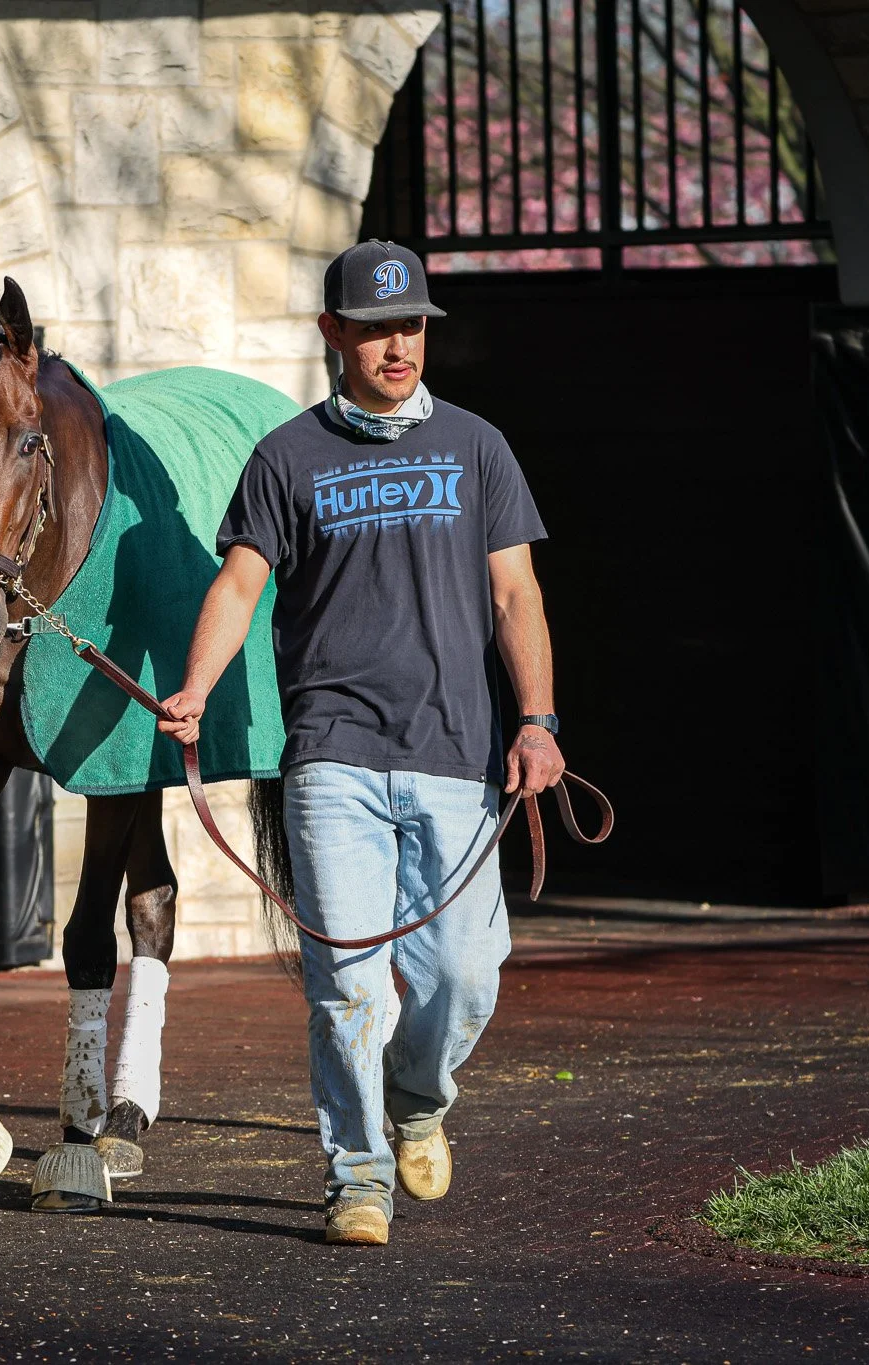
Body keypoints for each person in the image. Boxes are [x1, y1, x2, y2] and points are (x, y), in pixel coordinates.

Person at [157, 240, 562, 1247]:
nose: (396, 345)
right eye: (375, 327)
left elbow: (514, 594)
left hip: (456, 756)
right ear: (332, 333)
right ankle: (357, 1174)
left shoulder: (477, 448)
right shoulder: (286, 458)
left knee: (462, 976)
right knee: (345, 983)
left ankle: (417, 1100)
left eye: (411, 325)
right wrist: (196, 689)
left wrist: (538, 722)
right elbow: (241, 586)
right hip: (331, 759)